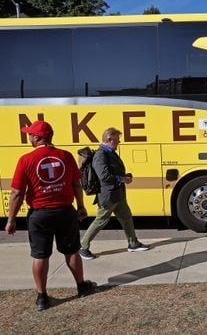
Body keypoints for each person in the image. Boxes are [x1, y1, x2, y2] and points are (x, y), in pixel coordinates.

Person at [4, 120, 95, 311]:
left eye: (30, 134)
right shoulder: (66, 156)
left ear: (37, 137)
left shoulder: (25, 160)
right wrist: (80, 206)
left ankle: (42, 298)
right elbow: (76, 184)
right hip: (65, 211)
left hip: (39, 214)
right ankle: (81, 286)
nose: (28, 137)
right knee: (71, 251)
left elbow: (17, 193)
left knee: (40, 255)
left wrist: (11, 219)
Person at [79, 127, 150, 260]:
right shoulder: (101, 154)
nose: (119, 142)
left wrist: (124, 176)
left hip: (117, 194)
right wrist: (121, 179)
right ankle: (83, 247)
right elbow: (103, 176)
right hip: (108, 195)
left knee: (126, 217)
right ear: (109, 140)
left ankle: (133, 243)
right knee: (101, 220)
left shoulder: (110, 152)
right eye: (117, 140)